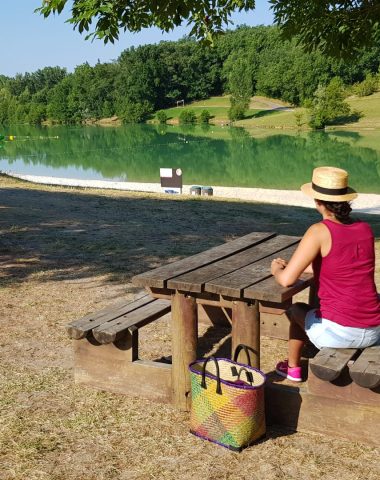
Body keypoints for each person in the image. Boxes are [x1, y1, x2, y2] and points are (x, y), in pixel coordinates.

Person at [270, 166, 380, 382]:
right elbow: (340, 267)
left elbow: (287, 280)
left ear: (317, 201)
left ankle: (292, 369)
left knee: (296, 310)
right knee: (315, 311)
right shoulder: (365, 229)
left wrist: (276, 268)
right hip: (375, 329)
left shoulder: (319, 231)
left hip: (342, 333)